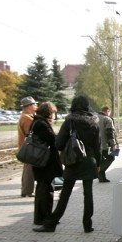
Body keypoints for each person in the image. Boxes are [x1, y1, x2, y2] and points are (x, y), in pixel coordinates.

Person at [33, 96, 101, 233]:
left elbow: (58, 144)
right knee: (88, 194)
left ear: (74, 105)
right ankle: (87, 225)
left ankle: (50, 224)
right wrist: (98, 164)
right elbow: (98, 146)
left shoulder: (70, 121)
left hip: (73, 161)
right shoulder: (94, 122)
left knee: (65, 194)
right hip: (89, 162)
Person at [31, 102, 63, 225]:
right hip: (46, 163)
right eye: (53, 113)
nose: (54, 115)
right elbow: (52, 140)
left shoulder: (37, 122)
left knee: (43, 189)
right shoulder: (42, 124)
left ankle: (42, 217)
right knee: (46, 191)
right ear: (49, 113)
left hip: (41, 162)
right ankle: (44, 217)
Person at [18, 96, 38, 197]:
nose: (36, 106)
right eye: (34, 104)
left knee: (27, 169)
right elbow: (31, 133)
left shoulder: (26, 116)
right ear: (29, 106)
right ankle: (27, 191)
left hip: (26, 147)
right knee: (29, 170)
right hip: (29, 148)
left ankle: (25, 190)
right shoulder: (27, 118)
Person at [97, 106, 118, 183]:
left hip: (96, 145)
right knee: (111, 158)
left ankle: (102, 178)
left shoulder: (94, 118)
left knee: (102, 160)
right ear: (108, 111)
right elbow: (110, 133)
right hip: (105, 145)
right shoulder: (107, 119)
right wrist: (113, 144)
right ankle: (99, 170)